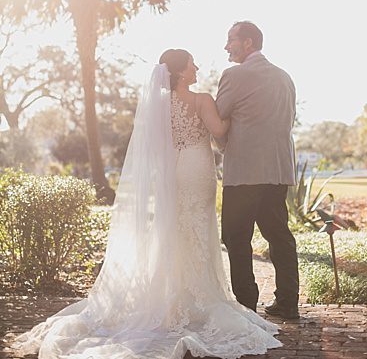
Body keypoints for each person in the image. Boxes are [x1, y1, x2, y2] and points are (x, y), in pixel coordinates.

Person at [14, 50, 281, 358]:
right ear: (181, 72)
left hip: (173, 173)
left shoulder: (157, 106)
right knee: (197, 227)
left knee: (176, 227)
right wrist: (237, 113)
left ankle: (175, 297)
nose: (196, 67)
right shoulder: (202, 100)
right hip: (196, 168)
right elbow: (219, 131)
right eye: (192, 63)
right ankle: (198, 297)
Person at [216, 21, 301, 320]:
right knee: (279, 235)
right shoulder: (285, 77)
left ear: (248, 43)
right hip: (278, 171)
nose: (226, 46)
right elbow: (287, 122)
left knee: (236, 238)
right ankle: (288, 302)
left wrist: (224, 144)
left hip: (245, 174)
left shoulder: (234, 75)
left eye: (231, 39)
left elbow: (218, 118)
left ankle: (246, 307)